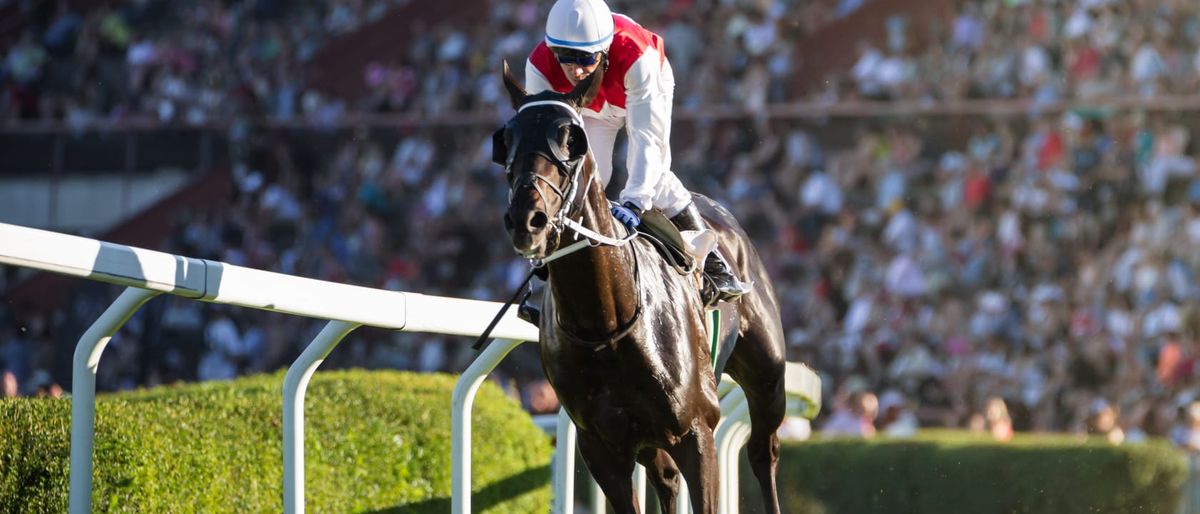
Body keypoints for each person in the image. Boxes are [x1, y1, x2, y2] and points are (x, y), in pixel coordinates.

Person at [523, 0, 750, 302]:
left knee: (655, 181)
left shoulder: (637, 55)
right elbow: (547, 146)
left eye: (586, 58)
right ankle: (551, 273)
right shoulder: (539, 67)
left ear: (604, 50)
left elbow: (646, 138)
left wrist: (634, 203)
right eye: (565, 58)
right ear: (553, 50)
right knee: (579, 179)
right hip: (590, 108)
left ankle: (714, 265)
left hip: (645, 89)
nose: (576, 70)